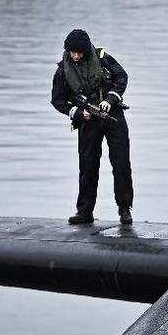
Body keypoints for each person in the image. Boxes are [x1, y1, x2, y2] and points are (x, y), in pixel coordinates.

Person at [51, 29, 134, 225]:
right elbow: (57, 100)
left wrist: (110, 99)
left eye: (80, 52)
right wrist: (79, 113)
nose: (76, 56)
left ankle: (124, 209)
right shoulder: (63, 70)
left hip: (112, 115)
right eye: (73, 52)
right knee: (87, 166)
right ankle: (84, 211)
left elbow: (122, 77)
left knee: (121, 164)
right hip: (87, 121)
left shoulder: (103, 58)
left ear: (87, 50)